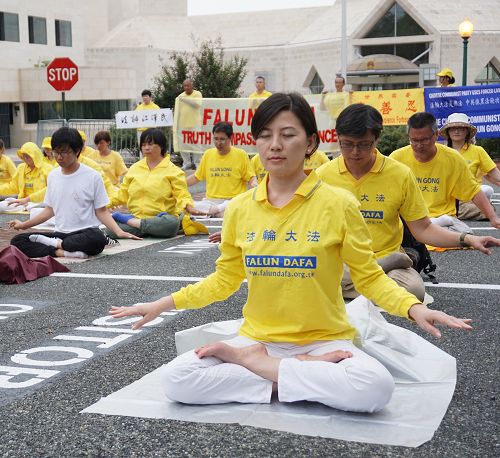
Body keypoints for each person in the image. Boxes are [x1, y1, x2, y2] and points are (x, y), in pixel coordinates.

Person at [110, 93, 471, 414]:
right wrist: (161, 305)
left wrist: (415, 307)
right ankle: (283, 374)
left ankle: (269, 372)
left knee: (375, 387)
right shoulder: (239, 208)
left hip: (323, 340)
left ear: (311, 142)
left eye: (287, 134)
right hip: (259, 338)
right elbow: (224, 281)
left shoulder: (339, 204)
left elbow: (369, 276)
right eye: (265, 136)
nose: (274, 145)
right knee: (178, 379)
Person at [317, 104, 500, 300]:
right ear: (338, 138)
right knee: (306, 275)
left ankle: (357, 280)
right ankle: (371, 279)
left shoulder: (399, 174)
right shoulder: (323, 175)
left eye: (364, 144)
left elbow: (423, 229)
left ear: (377, 138)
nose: (355, 152)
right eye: (347, 144)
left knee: (414, 290)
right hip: (341, 259)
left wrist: (467, 239)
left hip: (385, 253)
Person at [9, 127, 139, 259]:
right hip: (59, 234)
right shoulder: (53, 176)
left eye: (64, 152)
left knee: (98, 238)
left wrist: (119, 232)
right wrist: (23, 225)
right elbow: (50, 210)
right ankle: (60, 251)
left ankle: (58, 246)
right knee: (18, 241)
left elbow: (101, 211)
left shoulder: (93, 176)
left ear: (77, 150)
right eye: (56, 152)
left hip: (85, 233)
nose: (59, 157)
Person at [390, 112, 500, 232]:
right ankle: (427, 228)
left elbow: (473, 190)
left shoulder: (454, 157)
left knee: (465, 234)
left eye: (424, 140)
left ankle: (428, 228)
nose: (419, 145)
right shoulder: (397, 158)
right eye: (414, 140)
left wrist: (493, 218)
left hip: (444, 216)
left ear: (436, 135)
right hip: (410, 218)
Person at [108, 128, 206, 239]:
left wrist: (189, 206)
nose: (146, 148)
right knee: (109, 231)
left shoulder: (173, 171)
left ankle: (132, 223)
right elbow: (122, 194)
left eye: (150, 144)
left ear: (161, 146)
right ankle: (145, 227)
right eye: (143, 144)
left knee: (171, 223)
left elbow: (182, 194)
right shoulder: (134, 168)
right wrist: (104, 205)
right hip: (137, 217)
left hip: (161, 218)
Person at [439, 113, 500, 220]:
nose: (456, 131)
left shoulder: (478, 151)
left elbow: (494, 174)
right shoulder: (439, 151)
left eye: (461, 128)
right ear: (448, 131)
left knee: (487, 205)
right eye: (453, 128)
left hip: (470, 196)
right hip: (445, 198)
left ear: (467, 131)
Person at [186, 122, 253, 217]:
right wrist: (180, 184)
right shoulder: (208, 154)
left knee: (226, 214)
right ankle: (216, 210)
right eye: (216, 139)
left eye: (222, 139)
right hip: (210, 202)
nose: (218, 143)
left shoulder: (241, 155)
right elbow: (197, 177)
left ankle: (216, 211)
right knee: (187, 207)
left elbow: (250, 177)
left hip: (233, 200)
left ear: (230, 138)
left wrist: (254, 184)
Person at [175, 79, 203, 170]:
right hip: (183, 124)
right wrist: (176, 124)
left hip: (195, 123)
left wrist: (185, 100)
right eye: (184, 86)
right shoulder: (180, 96)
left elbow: (197, 105)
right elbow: (177, 111)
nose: (186, 88)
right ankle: (186, 163)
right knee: (183, 145)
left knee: (196, 143)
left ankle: (197, 163)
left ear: (192, 86)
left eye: (188, 86)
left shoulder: (197, 94)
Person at [135, 89, 161, 153]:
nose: (144, 98)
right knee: (142, 146)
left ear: (150, 97)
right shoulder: (139, 107)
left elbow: (159, 118)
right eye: (143, 96)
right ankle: (143, 161)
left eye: (146, 96)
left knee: (151, 146)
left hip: (151, 131)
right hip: (141, 131)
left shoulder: (156, 107)